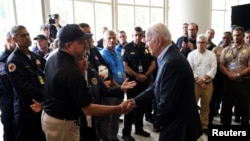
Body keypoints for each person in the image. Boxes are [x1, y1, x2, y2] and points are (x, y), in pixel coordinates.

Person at [41, 24, 133, 141]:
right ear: (69, 46)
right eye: (80, 42)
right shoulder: (71, 70)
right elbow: (88, 109)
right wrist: (119, 108)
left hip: (52, 117)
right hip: (62, 123)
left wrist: (119, 89)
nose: (85, 45)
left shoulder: (54, 57)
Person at [129, 23, 202, 141]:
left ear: (158, 40)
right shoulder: (168, 56)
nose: (146, 45)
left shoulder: (171, 62)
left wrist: (157, 123)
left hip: (179, 127)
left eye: (147, 41)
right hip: (177, 123)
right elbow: (156, 86)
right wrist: (135, 101)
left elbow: (166, 102)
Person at [6, 25, 46, 141]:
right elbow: (24, 89)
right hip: (26, 111)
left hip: (41, 106)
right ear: (14, 39)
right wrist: (46, 93)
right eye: (23, 35)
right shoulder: (13, 61)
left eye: (27, 34)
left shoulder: (35, 57)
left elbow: (46, 76)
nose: (27, 37)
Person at [122, 26, 156, 141]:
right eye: (135, 35)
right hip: (132, 82)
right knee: (130, 106)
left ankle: (139, 129)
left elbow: (153, 64)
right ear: (132, 36)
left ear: (143, 36)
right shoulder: (127, 48)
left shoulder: (146, 47)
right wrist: (137, 75)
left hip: (144, 81)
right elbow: (125, 66)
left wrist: (145, 75)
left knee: (142, 105)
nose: (138, 37)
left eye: (140, 35)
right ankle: (126, 132)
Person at [219, 26, 250, 125]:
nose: (236, 37)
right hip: (229, 82)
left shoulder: (249, 49)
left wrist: (238, 75)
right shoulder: (226, 49)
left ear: (243, 36)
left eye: (239, 35)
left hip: (243, 83)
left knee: (245, 108)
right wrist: (229, 74)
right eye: (234, 35)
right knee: (226, 107)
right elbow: (221, 65)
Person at [187, 34, 217, 135]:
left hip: (208, 85)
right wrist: (199, 81)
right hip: (195, 84)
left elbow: (213, 70)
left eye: (202, 42)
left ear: (207, 43)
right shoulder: (191, 55)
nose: (200, 44)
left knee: (206, 106)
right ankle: (192, 124)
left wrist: (203, 80)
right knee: (192, 106)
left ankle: (204, 125)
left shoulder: (211, 55)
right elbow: (189, 70)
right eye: (198, 42)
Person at [100, 30, 126, 141]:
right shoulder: (102, 55)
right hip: (110, 90)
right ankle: (107, 138)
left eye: (114, 38)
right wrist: (119, 87)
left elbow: (122, 69)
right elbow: (106, 75)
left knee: (117, 114)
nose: (112, 40)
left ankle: (114, 136)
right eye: (109, 38)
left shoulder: (118, 53)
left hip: (120, 88)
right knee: (108, 117)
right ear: (104, 40)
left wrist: (124, 83)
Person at [209, 31, 232, 124]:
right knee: (213, 97)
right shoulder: (216, 49)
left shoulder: (233, 49)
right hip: (216, 76)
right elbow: (211, 61)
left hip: (227, 77)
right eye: (223, 37)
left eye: (227, 38)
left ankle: (224, 119)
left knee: (226, 100)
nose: (225, 39)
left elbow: (234, 64)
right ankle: (209, 119)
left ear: (231, 39)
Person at [0, 31, 16, 141]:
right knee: (10, 133)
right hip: (8, 103)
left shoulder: (20, 57)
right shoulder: (2, 60)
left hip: (20, 103)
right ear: (9, 40)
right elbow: (5, 85)